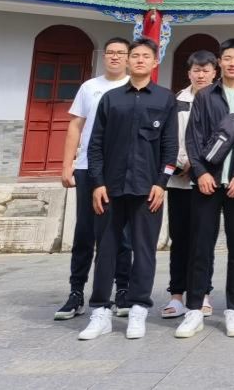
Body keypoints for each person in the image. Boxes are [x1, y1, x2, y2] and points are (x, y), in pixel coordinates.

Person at [77, 37, 177, 341]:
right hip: (111, 187)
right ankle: (100, 311)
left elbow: (170, 147)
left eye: (146, 56)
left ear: (155, 62)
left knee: (144, 250)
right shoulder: (111, 99)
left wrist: (162, 183)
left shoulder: (165, 98)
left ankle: (138, 308)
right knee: (106, 249)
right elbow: (95, 145)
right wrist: (97, 183)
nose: (140, 60)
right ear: (128, 61)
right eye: (135, 56)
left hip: (148, 189)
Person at [178, 37, 234, 339]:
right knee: (200, 247)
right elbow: (193, 138)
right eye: (227, 58)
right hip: (207, 184)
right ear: (220, 62)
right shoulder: (205, 96)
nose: (232, 63)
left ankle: (233, 309)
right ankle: (193, 309)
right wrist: (201, 172)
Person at [56, 36, 133, 321]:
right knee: (84, 232)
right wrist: (67, 165)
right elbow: (75, 126)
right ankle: (76, 292)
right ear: (104, 56)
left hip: (121, 171)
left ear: (128, 57)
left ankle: (122, 289)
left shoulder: (134, 88)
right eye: (110, 52)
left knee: (121, 234)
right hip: (88, 167)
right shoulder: (89, 87)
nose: (114, 57)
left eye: (120, 53)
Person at [162, 50, 217, 320]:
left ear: (214, 73)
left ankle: (203, 292)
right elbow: (169, 138)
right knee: (180, 238)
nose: (201, 75)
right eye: (197, 70)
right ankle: (176, 295)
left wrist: (198, 166)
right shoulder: (177, 102)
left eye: (206, 70)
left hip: (207, 180)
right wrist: (180, 164)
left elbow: (222, 139)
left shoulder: (220, 101)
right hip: (179, 181)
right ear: (189, 73)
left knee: (203, 240)